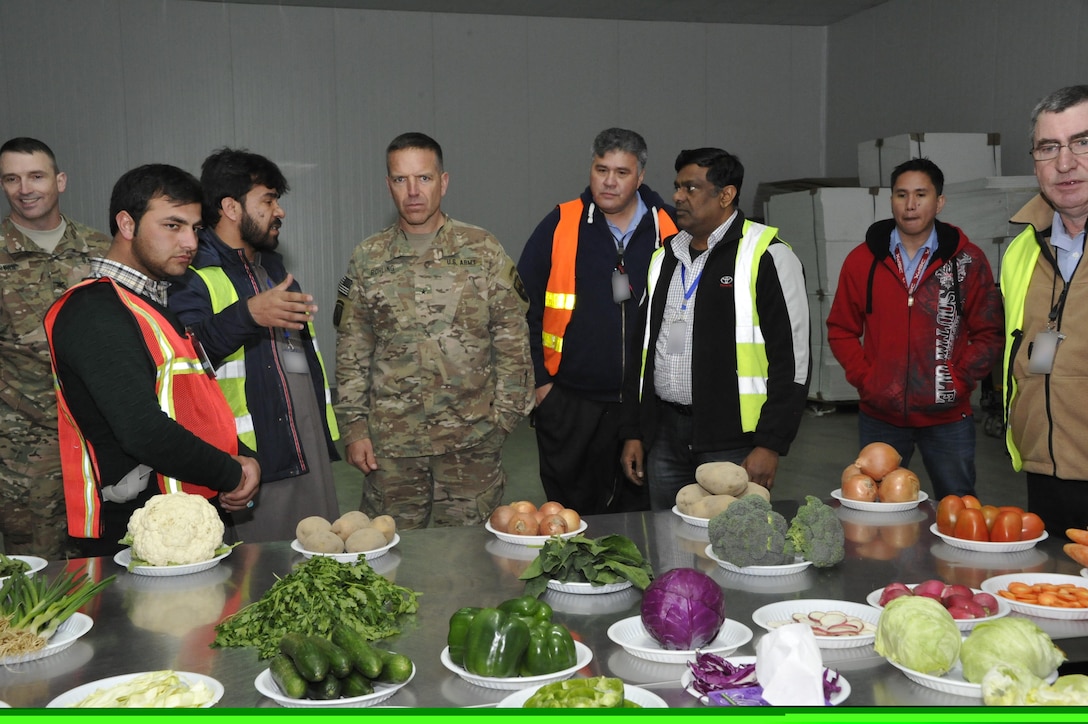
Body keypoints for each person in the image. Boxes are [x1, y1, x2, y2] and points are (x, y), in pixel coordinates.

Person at [43, 164, 260, 558]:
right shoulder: (94, 310)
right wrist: (233, 472)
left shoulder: (152, 304)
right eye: (172, 226)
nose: (189, 242)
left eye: (195, 228)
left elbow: (192, 403)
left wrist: (243, 457)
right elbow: (143, 431)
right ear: (127, 224)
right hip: (133, 542)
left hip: (182, 524)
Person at [334, 132, 533, 529]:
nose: (412, 192)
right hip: (392, 447)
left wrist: (504, 420)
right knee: (390, 560)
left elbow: (512, 337)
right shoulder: (368, 258)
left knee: (469, 563)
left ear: (443, 182)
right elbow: (353, 350)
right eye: (400, 180)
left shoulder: (482, 250)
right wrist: (354, 429)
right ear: (388, 185)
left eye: (423, 178)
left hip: (470, 444)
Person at [619, 148, 810, 510]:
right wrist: (633, 430)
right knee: (669, 543)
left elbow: (793, 360)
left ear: (726, 195)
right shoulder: (665, 258)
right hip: (665, 436)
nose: (677, 196)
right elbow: (641, 350)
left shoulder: (768, 255)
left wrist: (770, 443)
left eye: (691, 188)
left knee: (727, 547)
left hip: (734, 440)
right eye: (677, 187)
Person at [168, 149, 340, 543]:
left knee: (319, 563)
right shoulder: (190, 276)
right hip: (251, 460)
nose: (279, 211)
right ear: (230, 207)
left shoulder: (274, 269)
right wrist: (248, 315)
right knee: (263, 576)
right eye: (268, 199)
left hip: (306, 449)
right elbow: (186, 361)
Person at [517, 129, 677, 514]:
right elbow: (520, 308)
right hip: (571, 402)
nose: (609, 181)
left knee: (638, 522)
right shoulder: (561, 223)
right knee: (570, 518)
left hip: (643, 406)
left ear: (640, 177)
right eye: (601, 169)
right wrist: (542, 385)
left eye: (622, 173)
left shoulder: (670, 230)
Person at [827, 158, 1003, 500]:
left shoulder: (968, 261)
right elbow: (840, 329)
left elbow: (989, 332)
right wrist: (867, 378)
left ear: (939, 202)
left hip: (948, 417)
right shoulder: (862, 261)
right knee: (876, 507)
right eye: (901, 194)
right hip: (881, 416)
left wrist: (959, 379)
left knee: (958, 505)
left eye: (921, 195)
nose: (910, 205)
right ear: (891, 200)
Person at [0, 137, 111, 558]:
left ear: (59, 181)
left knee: (105, 555)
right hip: (24, 448)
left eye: (36, 176)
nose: (24, 188)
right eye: (11, 179)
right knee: (35, 564)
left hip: (98, 435)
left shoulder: (100, 250)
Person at [1002, 84, 1088, 534]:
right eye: (1048, 147)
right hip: (1044, 468)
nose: (1065, 163)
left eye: (1083, 142)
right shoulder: (1021, 249)